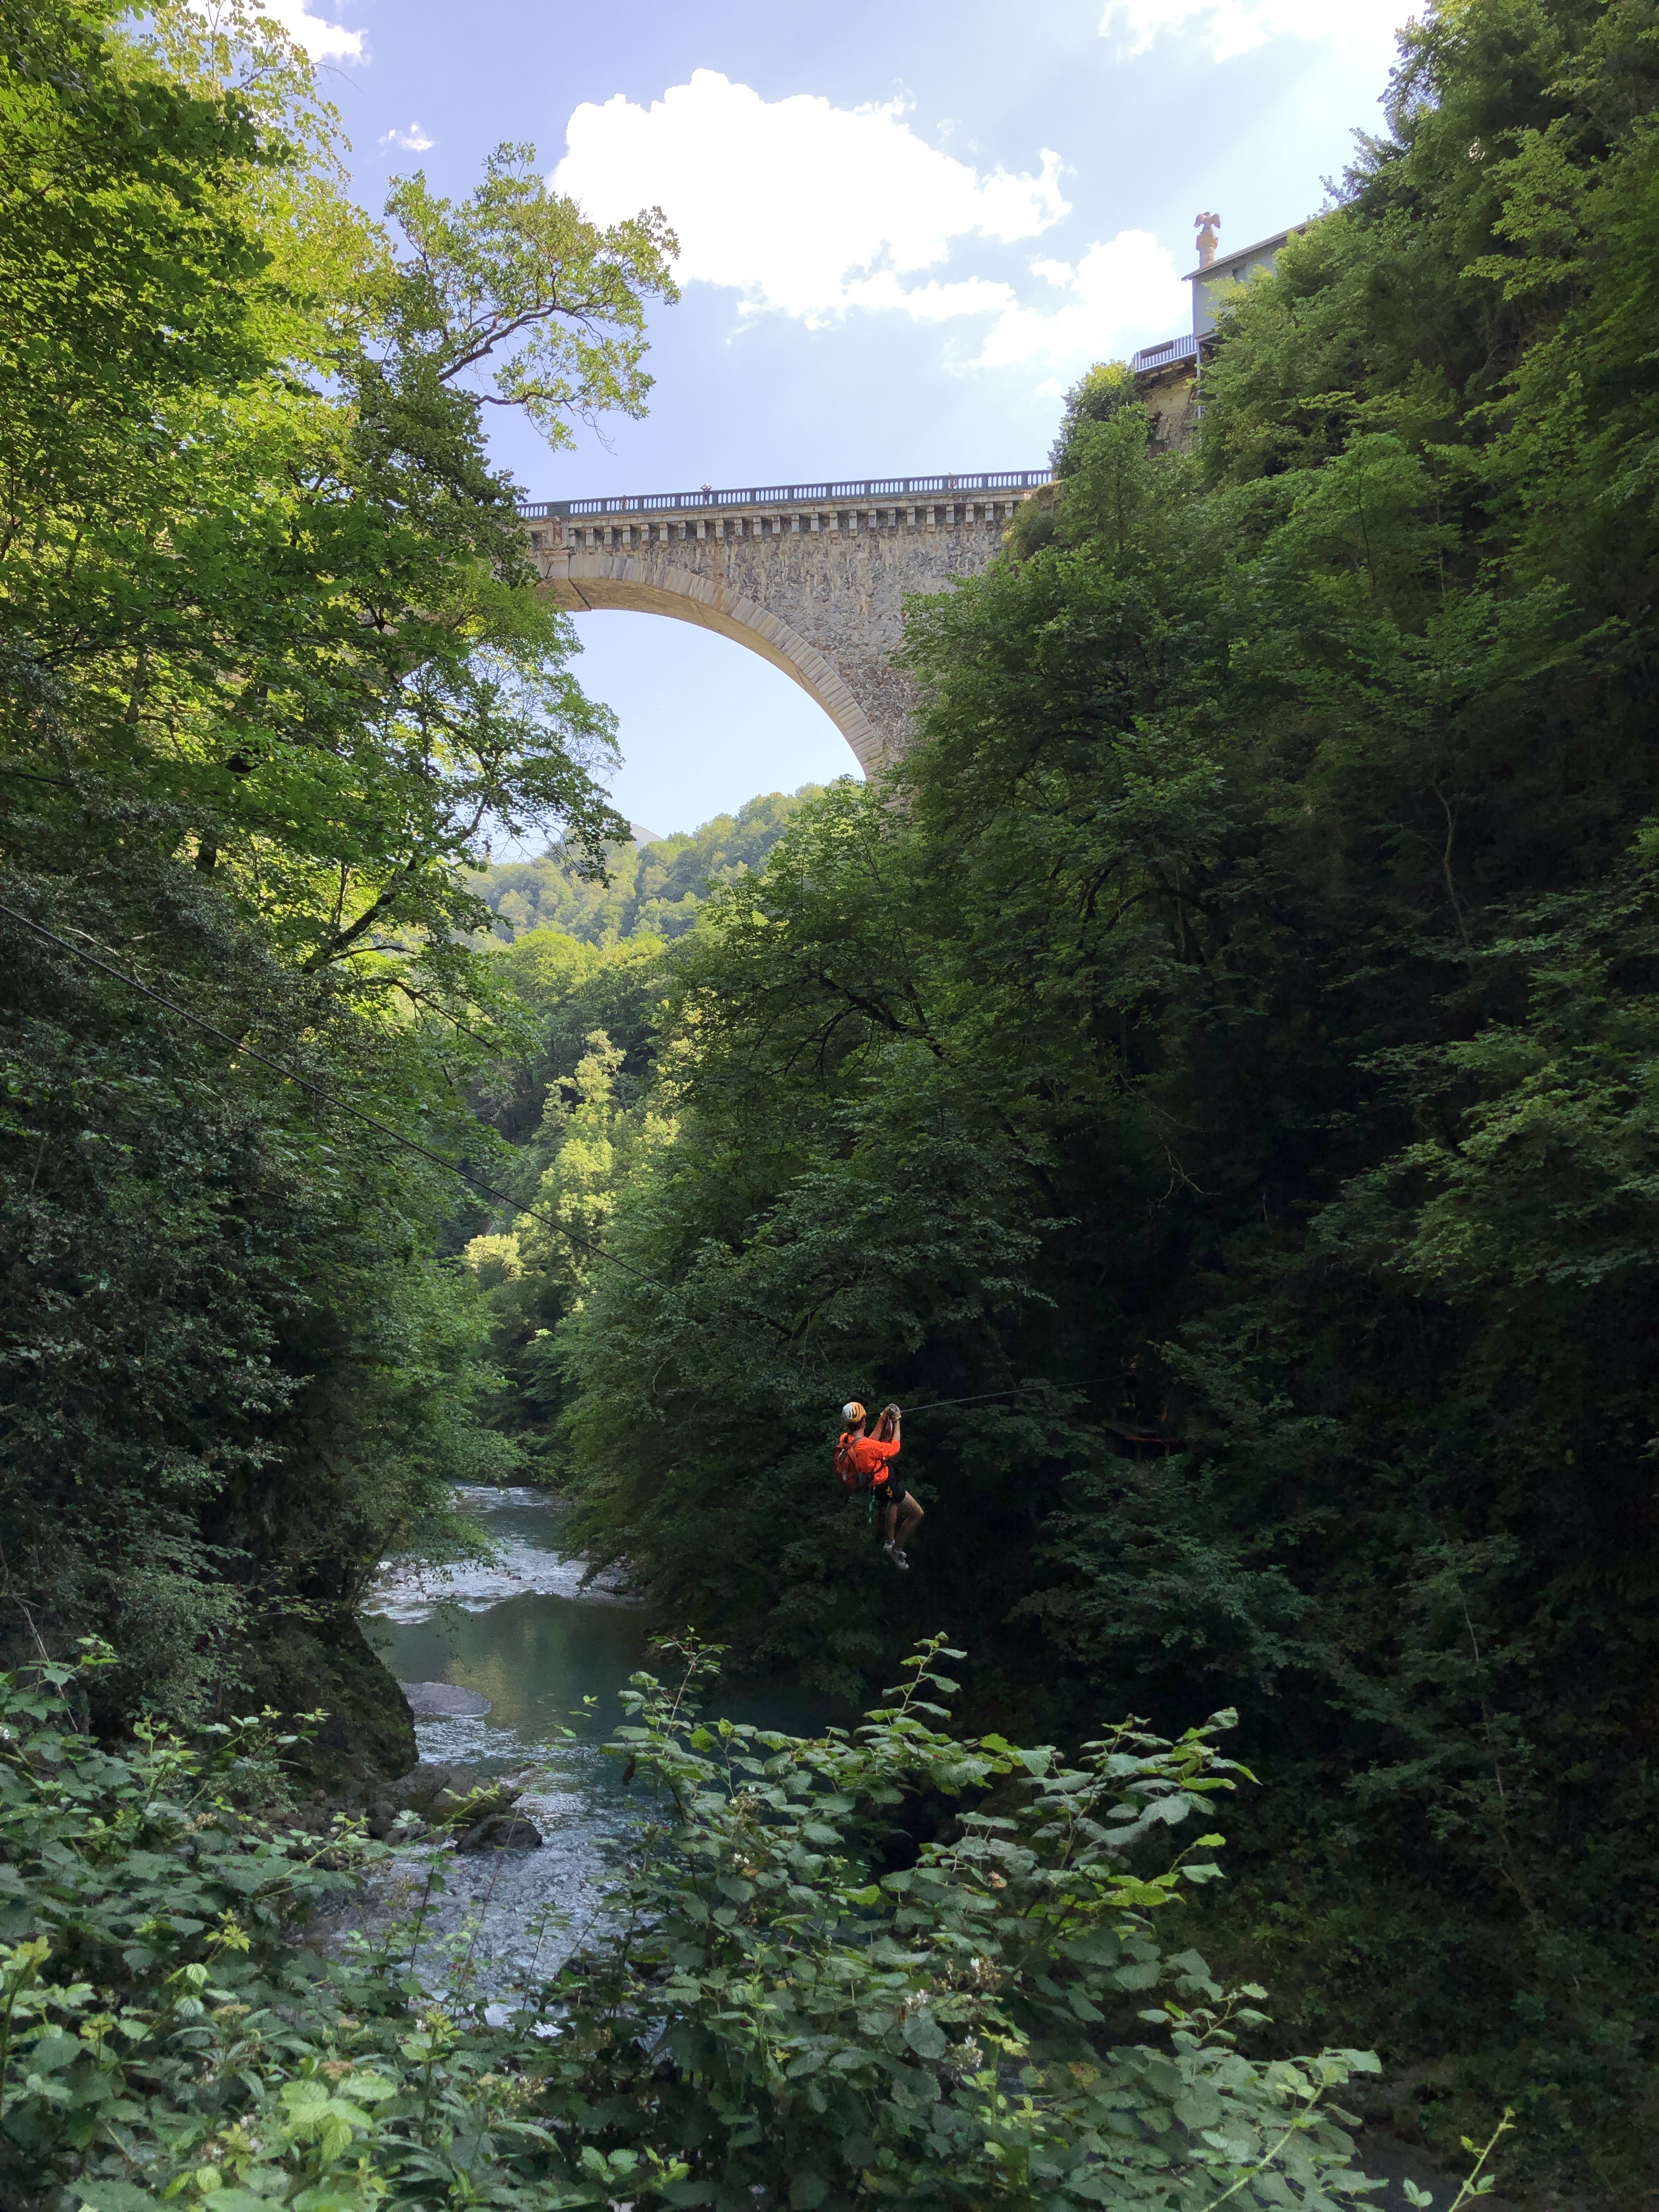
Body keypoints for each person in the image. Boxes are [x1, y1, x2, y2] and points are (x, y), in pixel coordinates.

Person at [835, 1400, 922, 1570]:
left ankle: (890, 1542)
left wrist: (883, 1418)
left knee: (894, 1503)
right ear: (863, 1422)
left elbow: (866, 1441)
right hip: (885, 1484)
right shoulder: (868, 1447)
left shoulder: (846, 1439)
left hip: (874, 1485)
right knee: (917, 1514)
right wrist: (897, 1421)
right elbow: (895, 1448)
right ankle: (896, 1551)